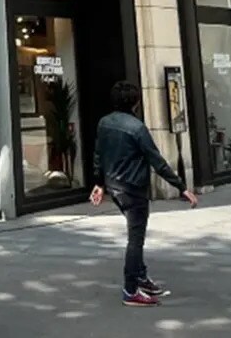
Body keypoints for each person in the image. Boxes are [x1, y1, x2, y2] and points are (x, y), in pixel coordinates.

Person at [90, 80, 200, 307]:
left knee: (135, 236)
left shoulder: (104, 123)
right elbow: (157, 161)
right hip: (133, 189)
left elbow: (99, 154)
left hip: (115, 187)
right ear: (136, 102)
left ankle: (140, 277)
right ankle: (131, 289)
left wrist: (99, 183)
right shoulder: (137, 128)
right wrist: (182, 187)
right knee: (135, 240)